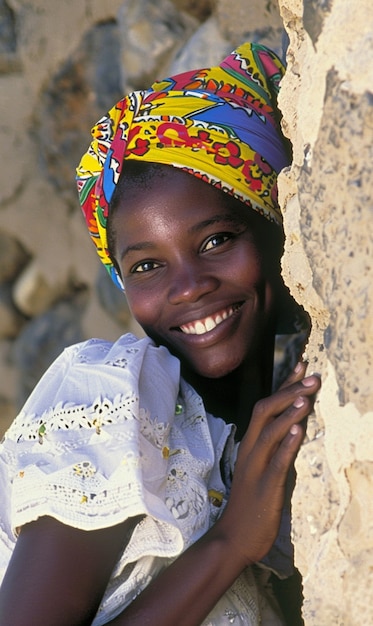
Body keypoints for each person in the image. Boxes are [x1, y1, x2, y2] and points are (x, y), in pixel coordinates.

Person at [0, 42, 320, 625]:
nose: (189, 286)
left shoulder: (243, 447)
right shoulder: (110, 399)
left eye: (216, 241)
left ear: (277, 233)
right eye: (147, 266)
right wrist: (229, 545)